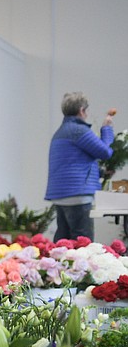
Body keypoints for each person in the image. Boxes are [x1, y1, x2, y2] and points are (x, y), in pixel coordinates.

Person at [44, 92, 116, 241]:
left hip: (61, 196)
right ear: (82, 110)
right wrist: (107, 129)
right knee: (83, 245)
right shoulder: (79, 130)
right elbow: (105, 152)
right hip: (77, 196)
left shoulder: (61, 132)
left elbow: (72, 162)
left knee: (63, 243)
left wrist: (101, 172)